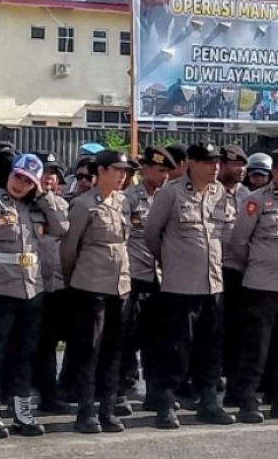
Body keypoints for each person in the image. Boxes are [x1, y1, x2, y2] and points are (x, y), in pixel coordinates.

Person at [0, 153, 68, 438]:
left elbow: (62, 227)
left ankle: (23, 412)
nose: (20, 185)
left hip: (32, 289)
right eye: (17, 177)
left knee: (25, 353)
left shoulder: (38, 207)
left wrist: (43, 196)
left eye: (28, 181)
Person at [143, 141, 233, 429]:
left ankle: (208, 401)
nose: (215, 167)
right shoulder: (171, 193)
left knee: (211, 348)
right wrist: (171, 262)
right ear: (191, 164)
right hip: (180, 286)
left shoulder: (221, 194)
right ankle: (166, 404)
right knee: (175, 349)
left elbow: (227, 235)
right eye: (208, 162)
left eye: (217, 162)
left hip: (213, 285)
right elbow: (152, 235)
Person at [226, 148, 278, 423]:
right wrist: (258, 265)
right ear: (275, 172)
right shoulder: (256, 201)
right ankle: (247, 401)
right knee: (256, 348)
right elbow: (239, 242)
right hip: (262, 286)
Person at [61, 150, 137, 433]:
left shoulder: (123, 201)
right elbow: (69, 249)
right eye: (117, 169)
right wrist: (73, 280)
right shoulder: (83, 205)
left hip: (121, 286)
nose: (122, 175)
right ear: (101, 171)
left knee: (114, 350)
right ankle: (85, 411)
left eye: (125, 171)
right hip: (90, 286)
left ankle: (107, 408)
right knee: (88, 350)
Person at [121, 147, 173, 407]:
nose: (165, 176)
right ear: (145, 170)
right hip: (134, 275)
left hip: (162, 278)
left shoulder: (169, 198)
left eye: (167, 171)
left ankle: (155, 392)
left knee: (158, 340)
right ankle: (119, 392)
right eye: (160, 170)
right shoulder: (128, 199)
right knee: (127, 336)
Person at [31, 151, 75, 415]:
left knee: (47, 343)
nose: (49, 177)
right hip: (26, 283)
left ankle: (49, 394)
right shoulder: (17, 202)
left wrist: (43, 197)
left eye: (53, 172)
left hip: (55, 285)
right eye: (44, 171)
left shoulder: (58, 202)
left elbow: (62, 226)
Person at [217, 144, 249, 392]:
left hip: (239, 269)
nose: (240, 169)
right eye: (235, 164)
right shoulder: (211, 192)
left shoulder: (247, 196)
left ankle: (234, 375)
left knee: (237, 327)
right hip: (213, 268)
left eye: (242, 164)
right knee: (213, 327)